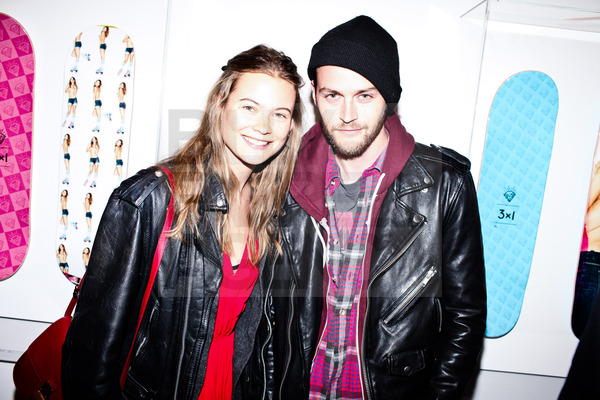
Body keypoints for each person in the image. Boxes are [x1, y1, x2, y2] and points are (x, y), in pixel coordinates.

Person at [62, 44, 304, 399]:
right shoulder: (151, 198)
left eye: (279, 114)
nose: (264, 127)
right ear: (220, 105)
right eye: (249, 107)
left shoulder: (268, 209)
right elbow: (91, 352)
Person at [266, 16, 486, 399]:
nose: (347, 114)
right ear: (314, 94)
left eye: (364, 96)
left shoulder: (443, 184)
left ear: (388, 97)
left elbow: (464, 317)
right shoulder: (283, 176)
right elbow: (266, 315)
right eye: (333, 95)